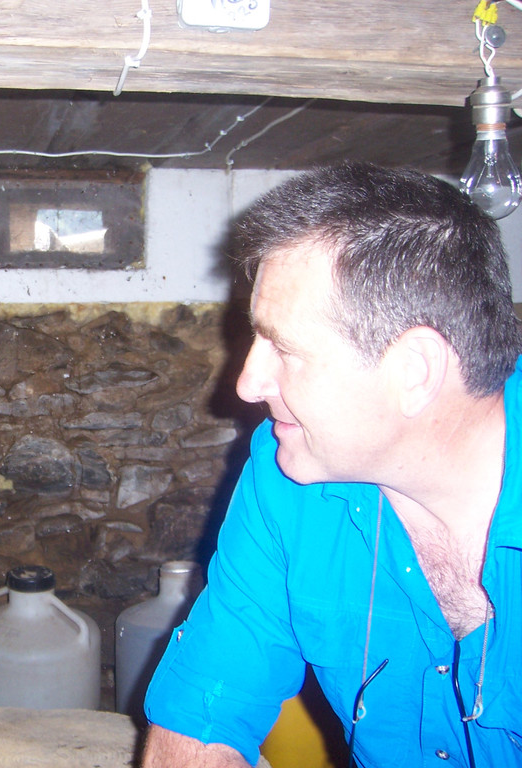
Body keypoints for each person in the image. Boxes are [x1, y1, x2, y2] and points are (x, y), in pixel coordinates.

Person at [142, 163, 522, 768]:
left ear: (414, 372)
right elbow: (205, 716)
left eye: (284, 348)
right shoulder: (287, 475)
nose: (246, 384)